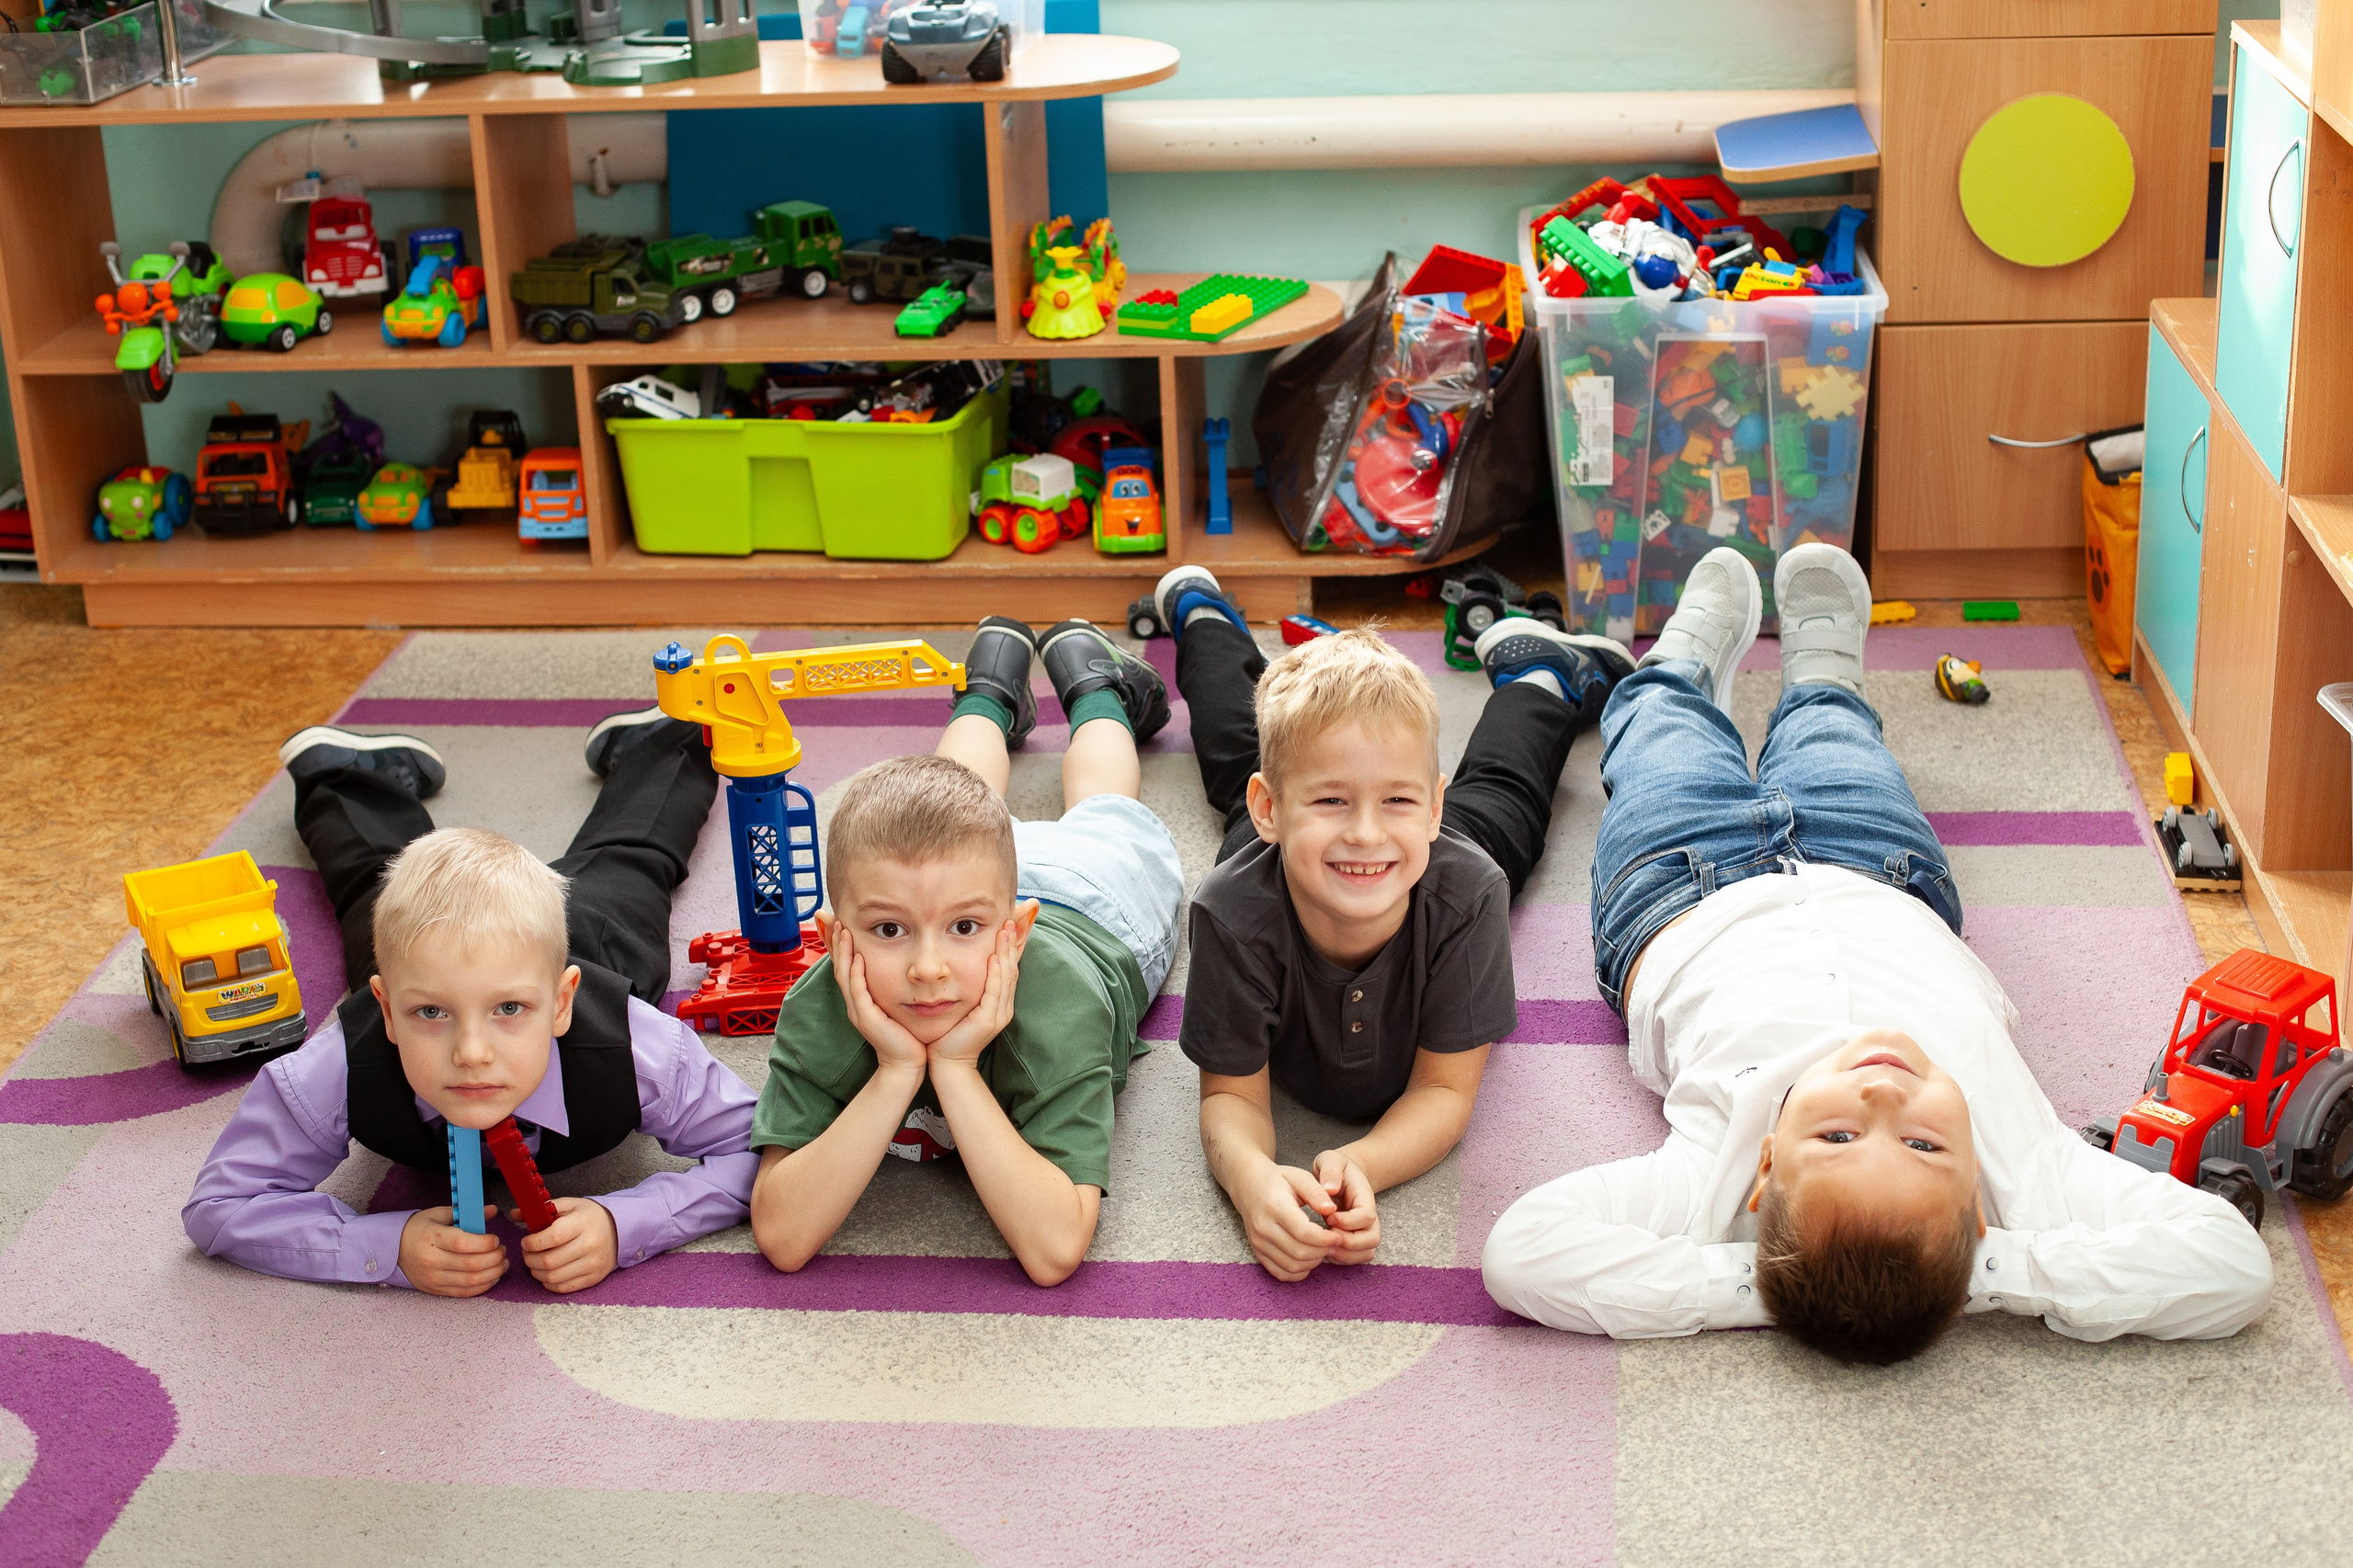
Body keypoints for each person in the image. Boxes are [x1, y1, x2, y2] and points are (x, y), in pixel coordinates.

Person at [1482, 543, 2275, 1363]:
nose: (1881, 1103)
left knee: (1657, 735)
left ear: (1764, 1173)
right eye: (1926, 1148)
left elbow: (1523, 1251)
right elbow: (2231, 1266)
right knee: (1833, 730)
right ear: (1975, 1213)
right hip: (1881, 873)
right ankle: (1822, 671)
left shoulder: (1710, 1185)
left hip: (1682, 893)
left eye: (1834, 1140)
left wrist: (1778, 1278)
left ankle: (1678, 669)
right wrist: (1982, 1271)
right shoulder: (2033, 1178)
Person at [1155, 565, 1632, 1281]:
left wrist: (1363, 1164)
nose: (1366, 834)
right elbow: (1229, 1096)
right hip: (1272, 863)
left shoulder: (1469, 890)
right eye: (1332, 804)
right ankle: (1201, 615)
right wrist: (1251, 1182)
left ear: (1432, 808)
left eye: (1400, 803)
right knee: (1238, 755)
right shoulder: (1229, 912)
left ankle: (1541, 678)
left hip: (1435, 861)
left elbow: (1445, 1090)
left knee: (1506, 798)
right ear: (1273, 814)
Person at [184, 710, 762, 1298]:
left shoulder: (644, 1050)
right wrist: (385, 1247)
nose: (471, 1054)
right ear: (385, 1008)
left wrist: (627, 1222)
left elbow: (765, 1147)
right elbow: (219, 1206)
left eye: (509, 1010)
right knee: (371, 880)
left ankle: (664, 738)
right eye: (431, 1014)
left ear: (562, 1003)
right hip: (422, 954)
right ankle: (340, 771)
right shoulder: (337, 1065)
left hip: (593, 936)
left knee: (632, 856)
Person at [747, 618, 1182, 1287]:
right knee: (950, 787)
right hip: (962, 881)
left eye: (960, 935)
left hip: (1098, 902)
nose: (928, 970)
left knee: (1105, 804)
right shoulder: (823, 1000)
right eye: (888, 932)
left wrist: (953, 1065)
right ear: (835, 938)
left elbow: (1055, 1247)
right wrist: (897, 1069)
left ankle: (1099, 691)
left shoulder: (1056, 1012)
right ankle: (988, 689)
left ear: (1013, 933)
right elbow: (781, 1233)